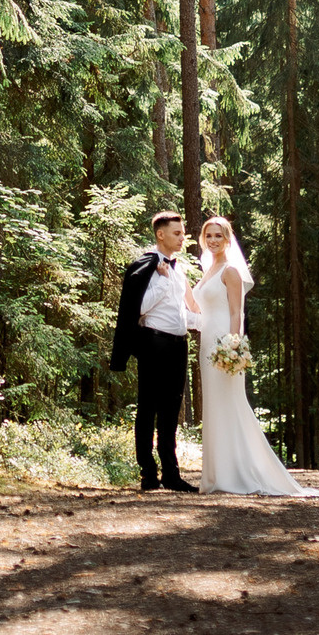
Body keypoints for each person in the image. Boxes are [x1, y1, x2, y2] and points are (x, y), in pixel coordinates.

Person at [189, 214, 315, 496]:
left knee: (230, 403)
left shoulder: (230, 271)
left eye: (218, 235)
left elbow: (237, 312)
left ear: (227, 238)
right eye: (208, 235)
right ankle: (217, 475)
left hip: (223, 343)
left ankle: (237, 474)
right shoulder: (209, 269)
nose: (213, 240)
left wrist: (232, 346)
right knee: (214, 406)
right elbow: (197, 307)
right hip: (206, 343)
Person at [110, 211, 198, 492]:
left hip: (178, 344)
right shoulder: (147, 265)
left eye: (182, 233)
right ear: (161, 235)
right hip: (154, 343)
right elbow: (138, 308)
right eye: (177, 233)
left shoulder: (178, 269)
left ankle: (171, 474)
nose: (182, 238)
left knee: (171, 410)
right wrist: (162, 281)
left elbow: (182, 311)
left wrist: (211, 325)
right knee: (148, 407)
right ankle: (148, 474)